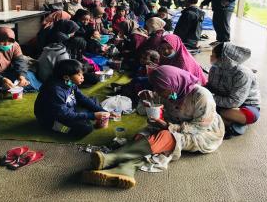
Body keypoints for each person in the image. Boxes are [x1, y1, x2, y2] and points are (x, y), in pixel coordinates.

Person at [82, 65, 224, 189]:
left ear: (174, 83)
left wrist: (169, 126)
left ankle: (110, 159)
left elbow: (199, 127)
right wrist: (146, 99)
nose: (158, 91)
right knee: (143, 137)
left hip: (204, 133)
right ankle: (125, 169)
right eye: (155, 87)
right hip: (176, 125)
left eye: (161, 88)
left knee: (166, 137)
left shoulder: (201, 96)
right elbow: (149, 106)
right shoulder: (166, 91)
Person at [34, 59, 108, 137]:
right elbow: (64, 114)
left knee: (93, 100)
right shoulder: (54, 90)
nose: (82, 77)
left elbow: (81, 98)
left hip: (67, 109)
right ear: (66, 77)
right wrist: (93, 115)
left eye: (82, 74)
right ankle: (55, 127)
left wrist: (103, 111)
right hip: (52, 119)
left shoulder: (69, 82)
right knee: (86, 128)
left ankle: (85, 118)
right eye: (79, 75)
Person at [206, 43, 260, 138]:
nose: (210, 57)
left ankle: (225, 120)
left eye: (213, 55)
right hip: (221, 103)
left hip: (244, 106)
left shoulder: (243, 74)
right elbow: (210, 86)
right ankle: (232, 124)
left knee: (249, 115)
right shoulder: (214, 69)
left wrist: (209, 98)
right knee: (202, 108)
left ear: (224, 58)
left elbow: (234, 102)